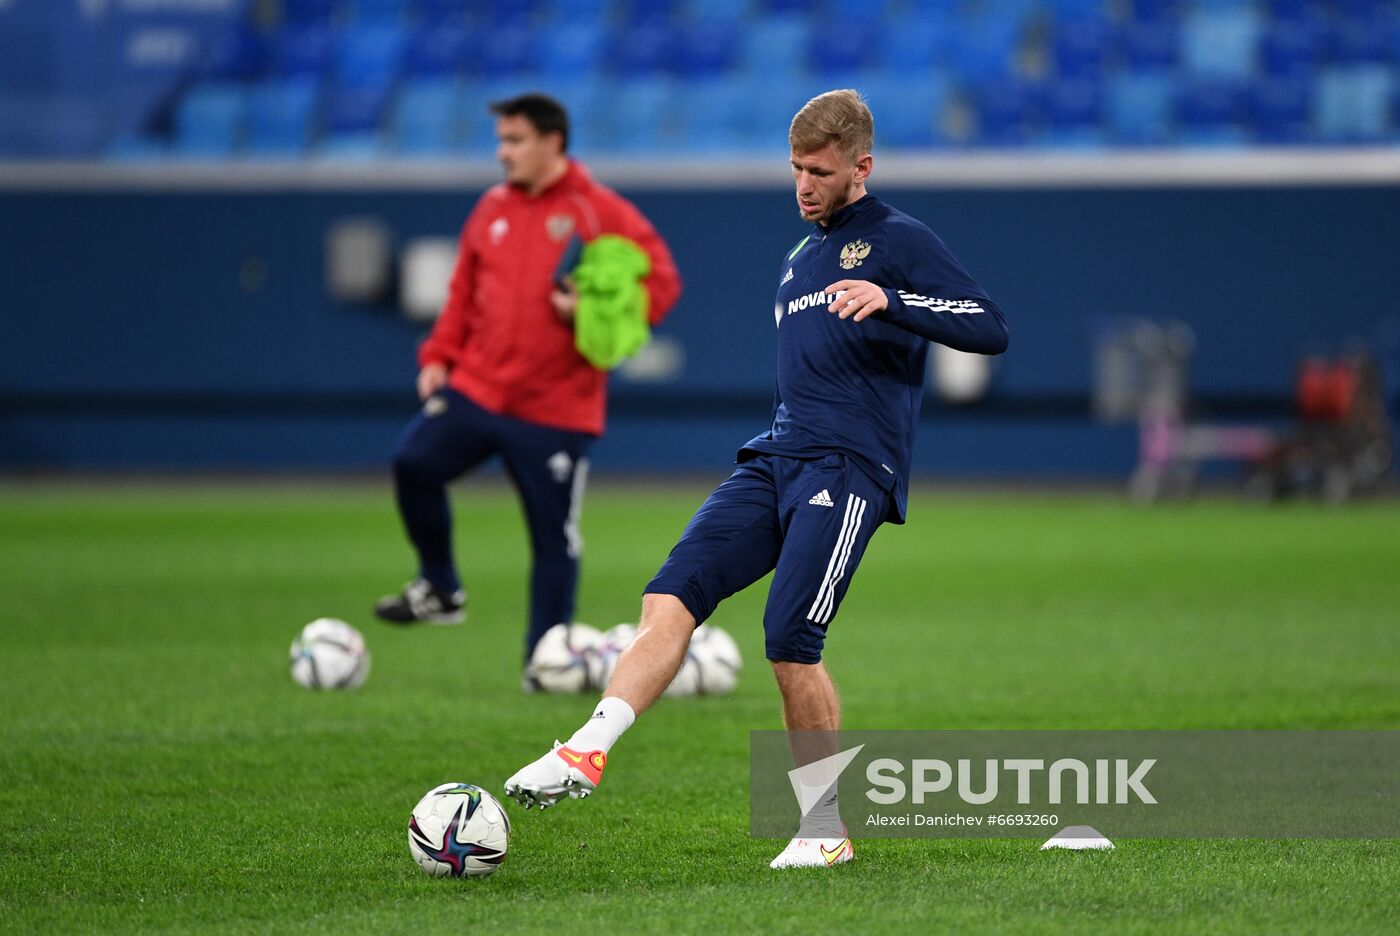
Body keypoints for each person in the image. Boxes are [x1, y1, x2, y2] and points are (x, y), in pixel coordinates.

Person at [503, 89, 1009, 867]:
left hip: (848, 466)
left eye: (820, 171)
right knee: (667, 599)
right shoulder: (800, 257)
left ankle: (824, 830)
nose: (803, 184)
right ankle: (584, 750)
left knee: (789, 644)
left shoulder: (897, 239)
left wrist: (894, 298)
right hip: (773, 458)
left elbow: (989, 324)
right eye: (796, 168)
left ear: (861, 168)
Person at [375, 94, 682, 679]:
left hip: (556, 405)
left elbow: (662, 285)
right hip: (480, 386)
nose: (503, 152)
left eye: (514, 140)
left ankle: (544, 661)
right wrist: (439, 355)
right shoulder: (491, 207)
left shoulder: (600, 212)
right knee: (414, 461)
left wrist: (590, 308)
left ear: (552, 143)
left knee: (551, 536)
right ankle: (440, 587)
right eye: (501, 140)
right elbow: (463, 291)